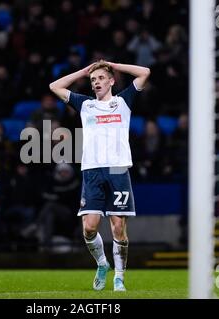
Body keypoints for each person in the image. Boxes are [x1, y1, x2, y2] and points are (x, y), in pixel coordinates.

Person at [49, 60, 150, 291]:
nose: (96, 82)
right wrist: (84, 72)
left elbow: (145, 72)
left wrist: (114, 65)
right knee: (89, 227)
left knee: (117, 227)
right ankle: (102, 264)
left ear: (111, 81)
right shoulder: (85, 105)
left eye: (101, 78)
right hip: (92, 169)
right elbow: (55, 86)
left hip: (118, 169)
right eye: (93, 80)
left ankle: (119, 277)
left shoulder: (123, 101)